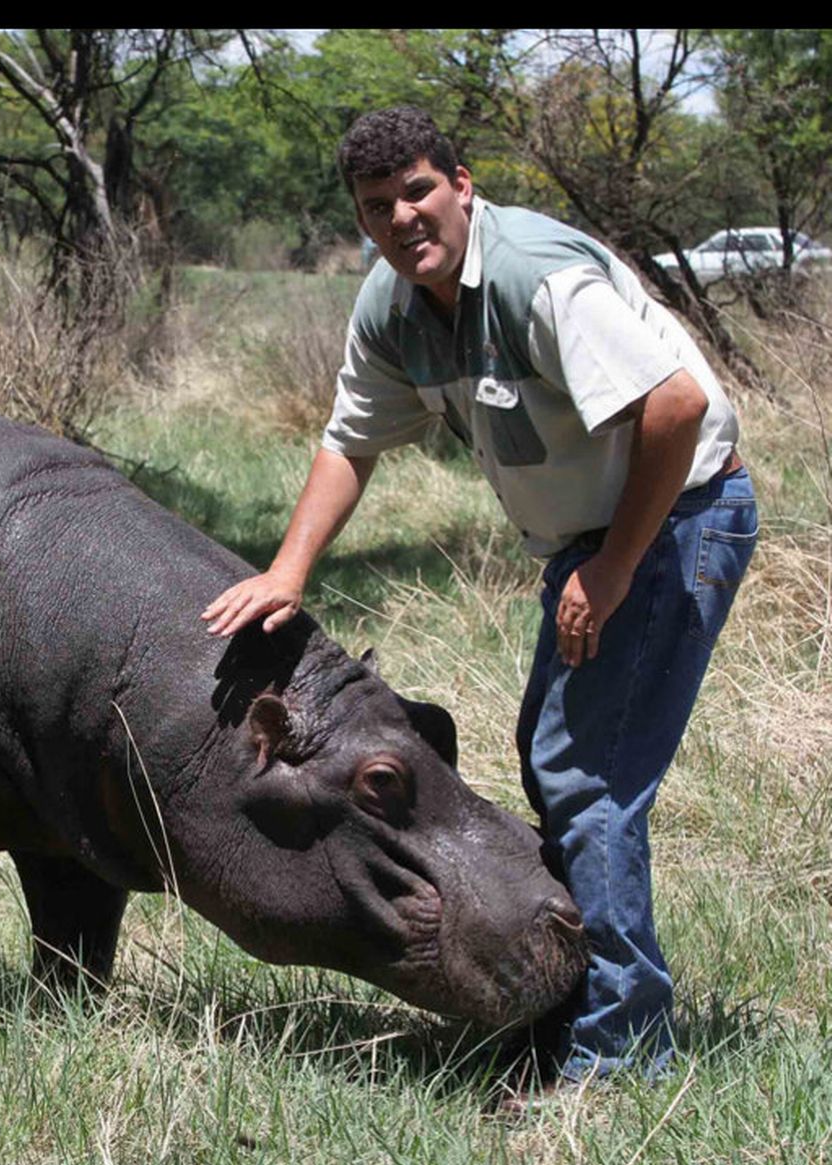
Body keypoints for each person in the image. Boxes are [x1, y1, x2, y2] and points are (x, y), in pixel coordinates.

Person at [200, 106, 757, 1089]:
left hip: (676, 524)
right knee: (563, 771)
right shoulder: (394, 302)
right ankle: (568, 1011)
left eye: (418, 190)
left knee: (586, 781)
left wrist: (615, 567)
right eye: (379, 207)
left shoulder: (534, 278)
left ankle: (615, 1056)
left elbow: (676, 407)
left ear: (462, 183)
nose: (403, 217)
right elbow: (351, 441)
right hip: (596, 542)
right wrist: (289, 570)